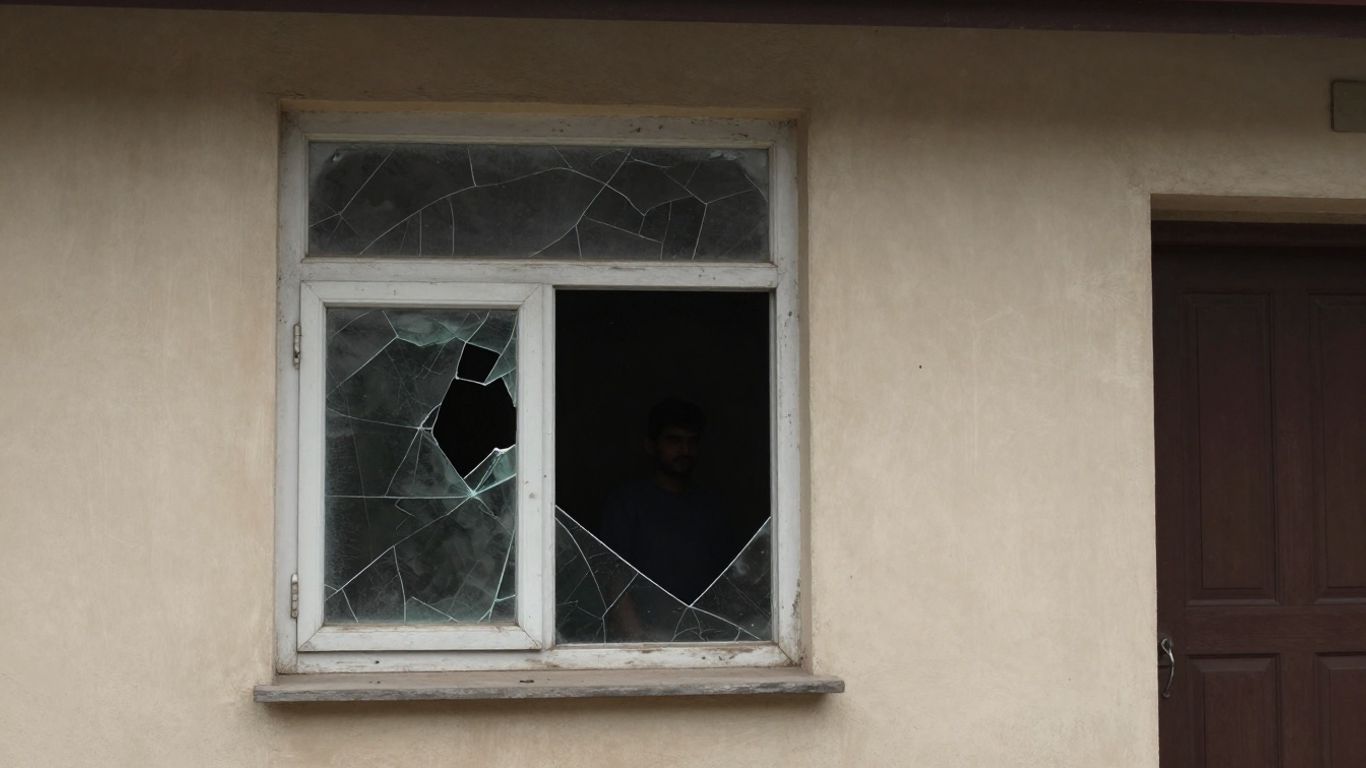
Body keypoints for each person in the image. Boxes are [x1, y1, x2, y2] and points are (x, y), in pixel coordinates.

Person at [598, 397, 733, 640]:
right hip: (647, 640)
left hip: (706, 639)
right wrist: (638, 641)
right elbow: (614, 578)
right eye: (674, 441)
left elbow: (728, 583)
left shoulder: (711, 506)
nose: (684, 450)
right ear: (651, 445)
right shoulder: (627, 504)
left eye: (692, 442)